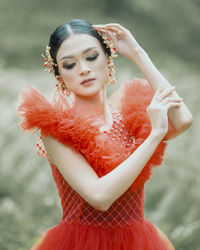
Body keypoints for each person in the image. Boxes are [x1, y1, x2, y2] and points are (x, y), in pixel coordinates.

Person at [17, 19, 193, 250]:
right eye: (69, 65)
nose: (84, 69)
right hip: (79, 243)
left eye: (91, 57)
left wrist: (137, 53)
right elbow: (100, 197)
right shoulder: (57, 128)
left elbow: (183, 119)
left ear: (108, 58)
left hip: (137, 241)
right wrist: (154, 136)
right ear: (59, 74)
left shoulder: (129, 113)